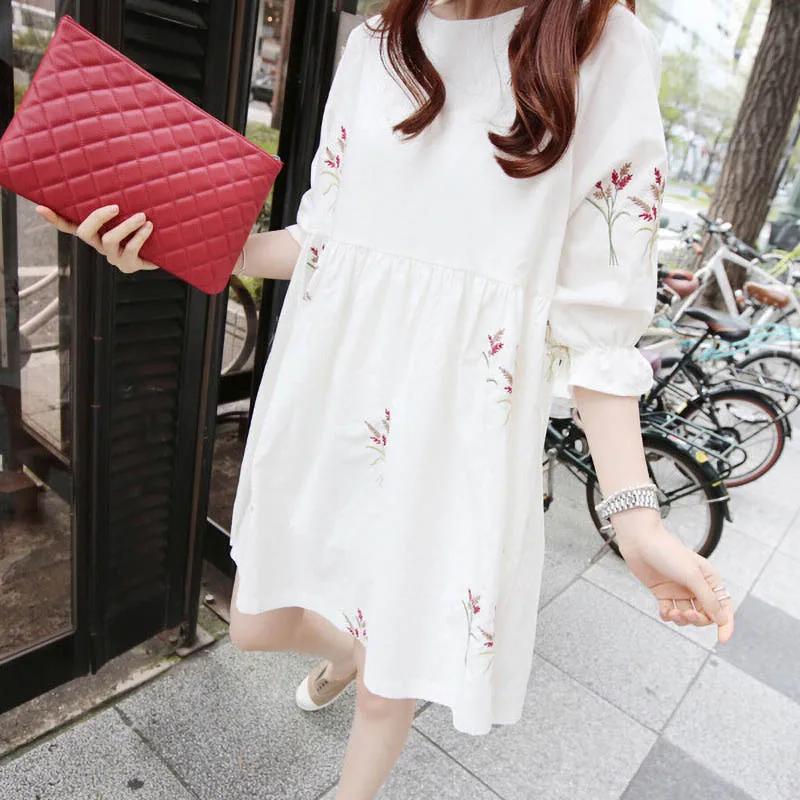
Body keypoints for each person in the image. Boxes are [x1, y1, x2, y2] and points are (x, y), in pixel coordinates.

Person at [38, 0, 735, 796]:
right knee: (259, 624)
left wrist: (636, 518)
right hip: (332, 398)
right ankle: (356, 648)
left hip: (459, 422)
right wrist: (167, 247)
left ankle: (365, 734)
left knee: (390, 674)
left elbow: (598, 325)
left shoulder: (604, 47)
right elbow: (321, 241)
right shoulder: (376, 42)